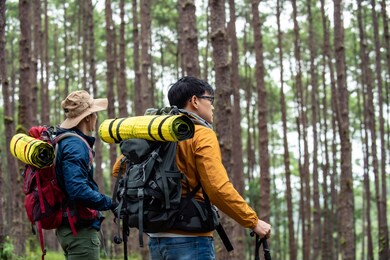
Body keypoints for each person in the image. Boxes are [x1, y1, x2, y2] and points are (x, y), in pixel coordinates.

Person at [113, 76, 271, 260]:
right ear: (194, 101)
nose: (212, 106)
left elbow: (119, 169)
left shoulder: (156, 133)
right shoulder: (202, 134)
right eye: (210, 100)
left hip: (156, 240)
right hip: (191, 240)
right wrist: (253, 222)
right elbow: (217, 188)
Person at [55, 90, 116, 260]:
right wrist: (109, 203)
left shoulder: (63, 139)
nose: (96, 118)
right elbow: (77, 189)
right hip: (79, 232)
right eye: (95, 114)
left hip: (68, 227)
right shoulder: (75, 145)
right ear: (88, 117)